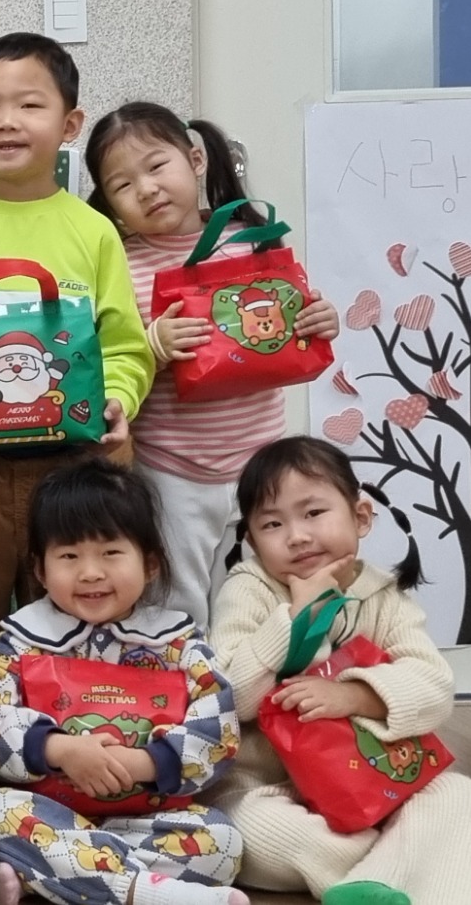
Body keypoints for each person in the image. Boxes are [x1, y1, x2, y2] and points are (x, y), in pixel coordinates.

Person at [0, 32, 154, 674]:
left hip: (77, 461)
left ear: (69, 124)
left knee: (85, 614)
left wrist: (120, 397)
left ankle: (80, 721)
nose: (6, 121)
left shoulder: (94, 231)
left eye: (29, 105)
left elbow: (125, 343)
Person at [206, 437, 471, 905]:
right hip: (270, 787)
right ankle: (453, 854)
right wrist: (295, 616)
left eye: (314, 513)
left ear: (361, 517)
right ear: (252, 541)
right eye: (272, 524)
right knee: (249, 832)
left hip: (378, 782)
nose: (297, 535)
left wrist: (354, 696)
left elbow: (435, 686)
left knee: (458, 792)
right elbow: (229, 697)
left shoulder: (382, 596)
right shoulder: (249, 589)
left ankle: (413, 865)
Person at [83, 102, 339, 627]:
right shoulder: (121, 263)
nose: (147, 189)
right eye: (123, 185)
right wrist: (153, 344)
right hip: (170, 469)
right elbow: (107, 361)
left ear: (195, 160)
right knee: (176, 597)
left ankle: (252, 674)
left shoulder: (250, 239)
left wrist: (319, 319)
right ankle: (187, 676)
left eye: (157, 166)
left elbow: (284, 327)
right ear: (108, 204)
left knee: (259, 591)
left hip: (261, 460)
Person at [0, 457, 246, 905]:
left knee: (222, 842)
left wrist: (141, 764)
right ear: (40, 570)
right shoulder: (19, 640)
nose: (90, 572)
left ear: (150, 563)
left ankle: (48, 876)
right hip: (51, 812)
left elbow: (219, 732)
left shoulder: (180, 642)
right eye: (69, 556)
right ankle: (147, 892)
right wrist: (60, 750)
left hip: (147, 820)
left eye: (110, 553)